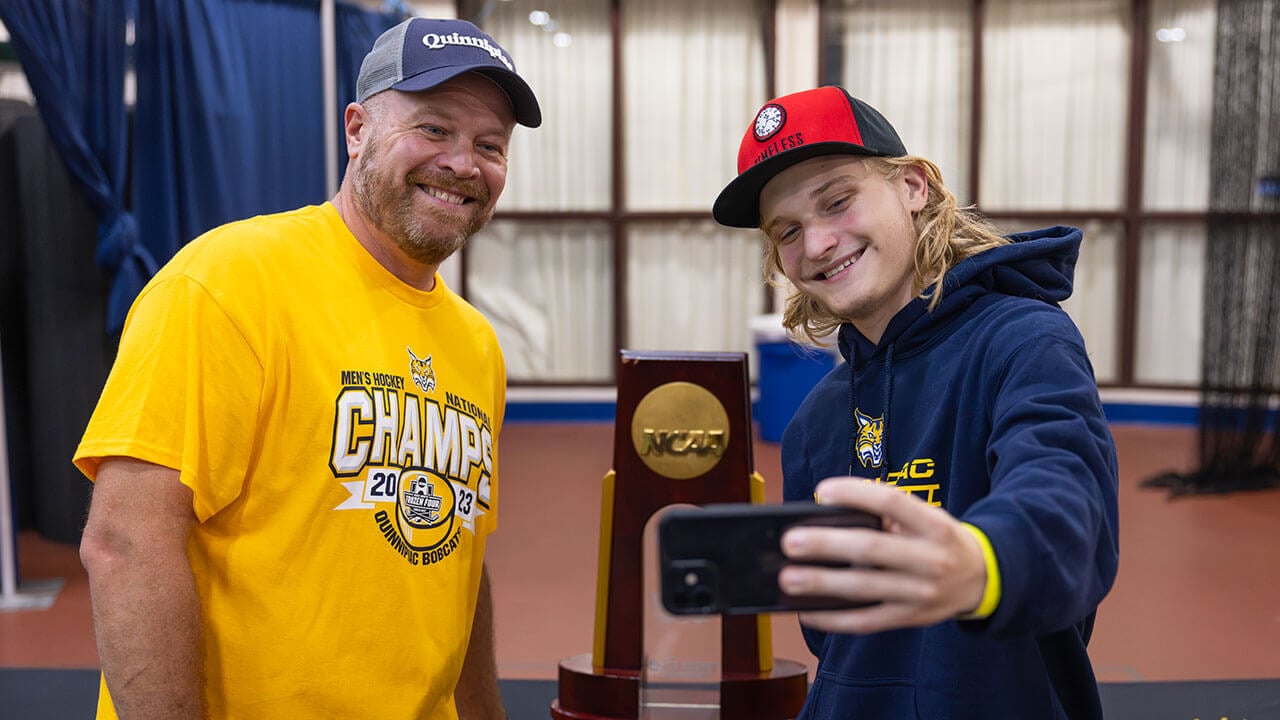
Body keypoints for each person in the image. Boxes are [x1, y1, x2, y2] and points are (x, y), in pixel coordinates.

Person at [74, 17, 540, 720]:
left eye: (489, 145)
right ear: (357, 130)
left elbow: (456, 570)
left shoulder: (476, 343)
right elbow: (126, 543)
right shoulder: (227, 282)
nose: (463, 163)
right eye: (434, 129)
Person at [712, 86, 1119, 719]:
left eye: (838, 201)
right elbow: (829, 633)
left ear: (912, 186)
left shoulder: (1022, 342)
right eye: (787, 230)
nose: (816, 244)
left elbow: (1068, 509)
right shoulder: (816, 423)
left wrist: (981, 564)